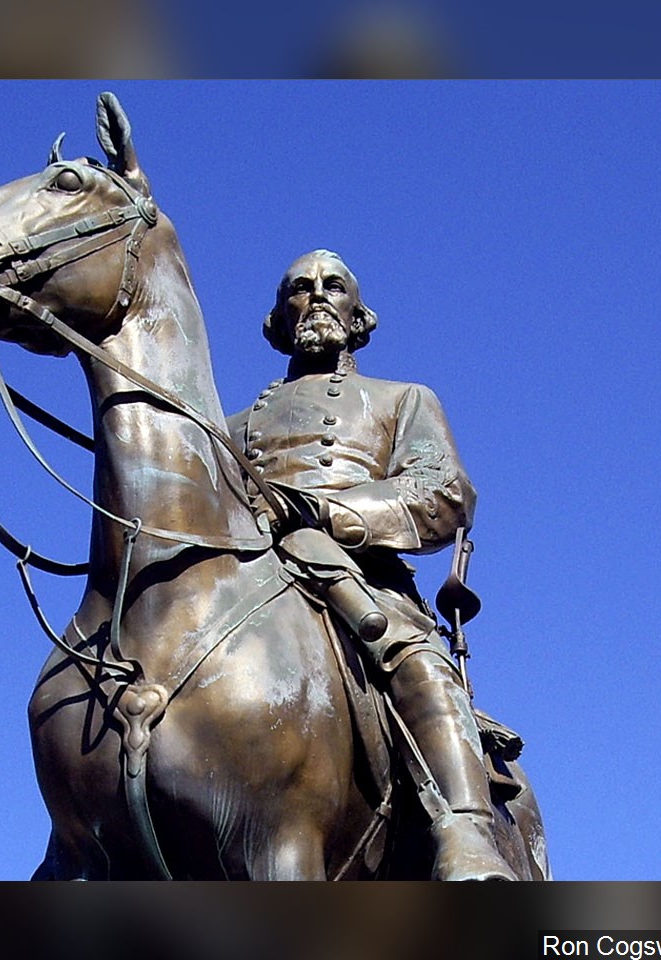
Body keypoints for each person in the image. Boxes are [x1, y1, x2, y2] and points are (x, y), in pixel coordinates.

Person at [227, 250, 516, 881]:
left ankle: (465, 830)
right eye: (300, 289)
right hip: (246, 581)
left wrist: (327, 513)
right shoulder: (228, 428)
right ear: (277, 319)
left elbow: (443, 492)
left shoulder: (401, 399)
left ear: (360, 317)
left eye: (334, 286)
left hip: (361, 580)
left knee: (416, 657)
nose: (318, 295)